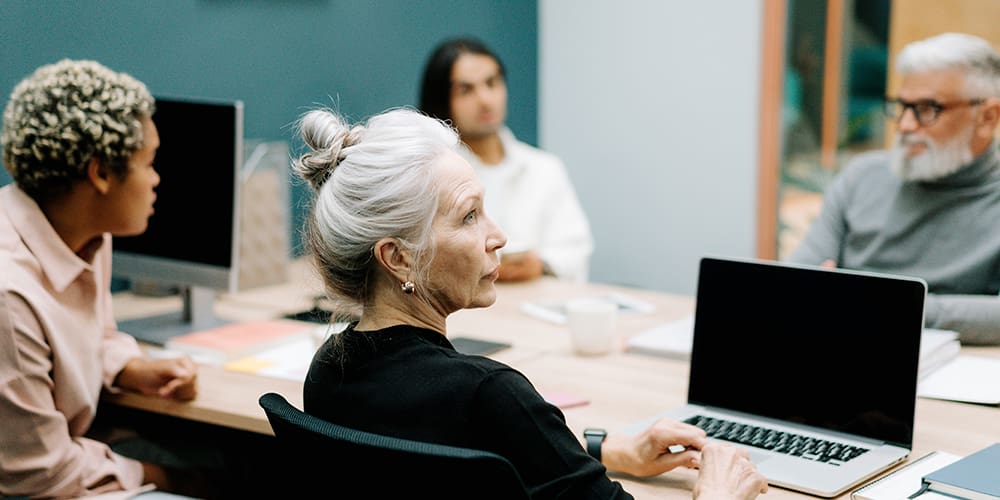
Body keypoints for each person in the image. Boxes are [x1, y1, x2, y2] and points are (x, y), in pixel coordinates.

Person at [294, 106, 768, 498]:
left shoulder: (328, 372)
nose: (498, 236)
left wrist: (605, 450)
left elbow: (459, 457)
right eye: (469, 216)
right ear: (397, 257)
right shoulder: (488, 393)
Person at [0, 59, 202, 498]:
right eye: (149, 162)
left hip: (67, 454)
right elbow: (41, 475)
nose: (157, 179)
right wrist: (167, 478)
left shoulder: (83, 233)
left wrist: (130, 368)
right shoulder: (9, 296)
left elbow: (92, 332)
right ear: (101, 173)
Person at [788, 32, 1000, 345]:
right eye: (902, 106)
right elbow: (797, 281)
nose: (905, 126)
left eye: (928, 109)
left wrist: (891, 306)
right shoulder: (862, 176)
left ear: (987, 117)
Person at [419, 36, 594, 283]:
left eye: (492, 83)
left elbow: (575, 248)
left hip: (537, 306)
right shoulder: (430, 175)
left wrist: (540, 265)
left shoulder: (544, 168)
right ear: (442, 100)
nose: (485, 99)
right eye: (466, 90)